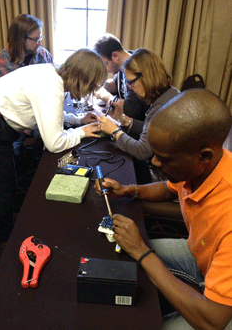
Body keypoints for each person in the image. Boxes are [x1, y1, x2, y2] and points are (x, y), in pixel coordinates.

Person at [94, 89, 232, 329]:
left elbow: (213, 321)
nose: (155, 163)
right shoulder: (208, 165)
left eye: (165, 159)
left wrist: (142, 252)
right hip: (202, 258)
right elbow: (170, 188)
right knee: (122, 252)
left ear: (203, 156)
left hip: (220, 314)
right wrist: (130, 190)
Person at [0, 48, 107, 246]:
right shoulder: (52, 88)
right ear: (83, 80)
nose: (91, 92)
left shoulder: (52, 73)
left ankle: (6, 219)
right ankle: (2, 238)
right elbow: (54, 143)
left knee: (6, 179)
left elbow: (49, 114)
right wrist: (82, 132)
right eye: (91, 86)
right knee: (0, 184)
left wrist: (78, 120)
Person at [98, 48, 180, 183]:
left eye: (131, 82)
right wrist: (125, 121)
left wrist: (114, 132)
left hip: (163, 178)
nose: (129, 87)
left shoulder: (162, 107)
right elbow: (156, 131)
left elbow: (142, 151)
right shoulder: (170, 93)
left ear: (146, 77)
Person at [0, 14, 53, 90]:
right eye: (36, 40)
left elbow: (52, 83)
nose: (40, 44)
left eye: (40, 38)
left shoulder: (44, 55)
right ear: (20, 39)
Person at [94, 34, 148, 121]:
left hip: (138, 125)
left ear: (115, 56)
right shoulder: (124, 62)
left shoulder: (136, 69)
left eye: (105, 64)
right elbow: (116, 84)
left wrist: (103, 95)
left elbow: (131, 110)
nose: (106, 70)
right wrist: (101, 86)